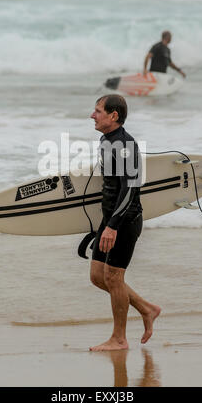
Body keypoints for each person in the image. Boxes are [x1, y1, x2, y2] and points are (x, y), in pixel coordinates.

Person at [89, 94, 161, 351]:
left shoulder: (126, 145)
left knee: (114, 277)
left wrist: (113, 226)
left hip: (125, 221)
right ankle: (147, 308)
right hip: (110, 219)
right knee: (98, 276)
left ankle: (119, 339)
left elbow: (130, 189)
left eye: (98, 111)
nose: (92, 115)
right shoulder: (106, 140)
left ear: (113, 115)